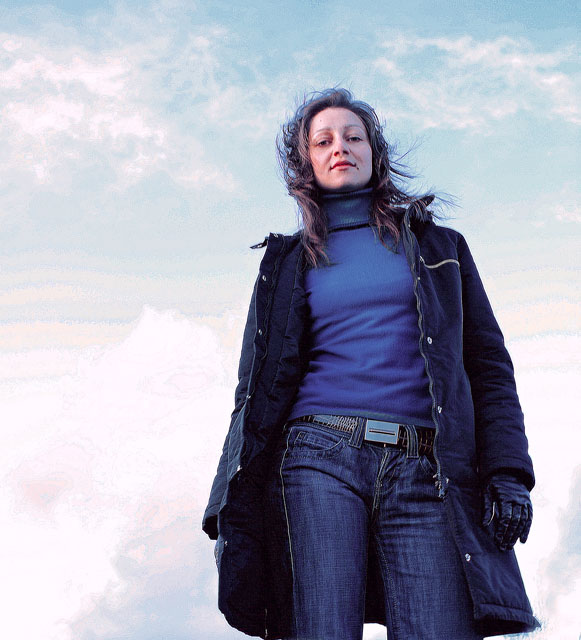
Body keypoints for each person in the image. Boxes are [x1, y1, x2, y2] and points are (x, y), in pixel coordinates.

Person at [202, 88, 539, 640]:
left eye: (353, 136)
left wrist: (509, 474)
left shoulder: (439, 247)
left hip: (426, 467)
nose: (340, 147)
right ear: (306, 163)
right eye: (323, 141)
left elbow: (488, 366)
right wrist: (227, 504)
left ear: (374, 153)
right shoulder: (285, 262)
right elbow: (252, 391)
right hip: (317, 457)